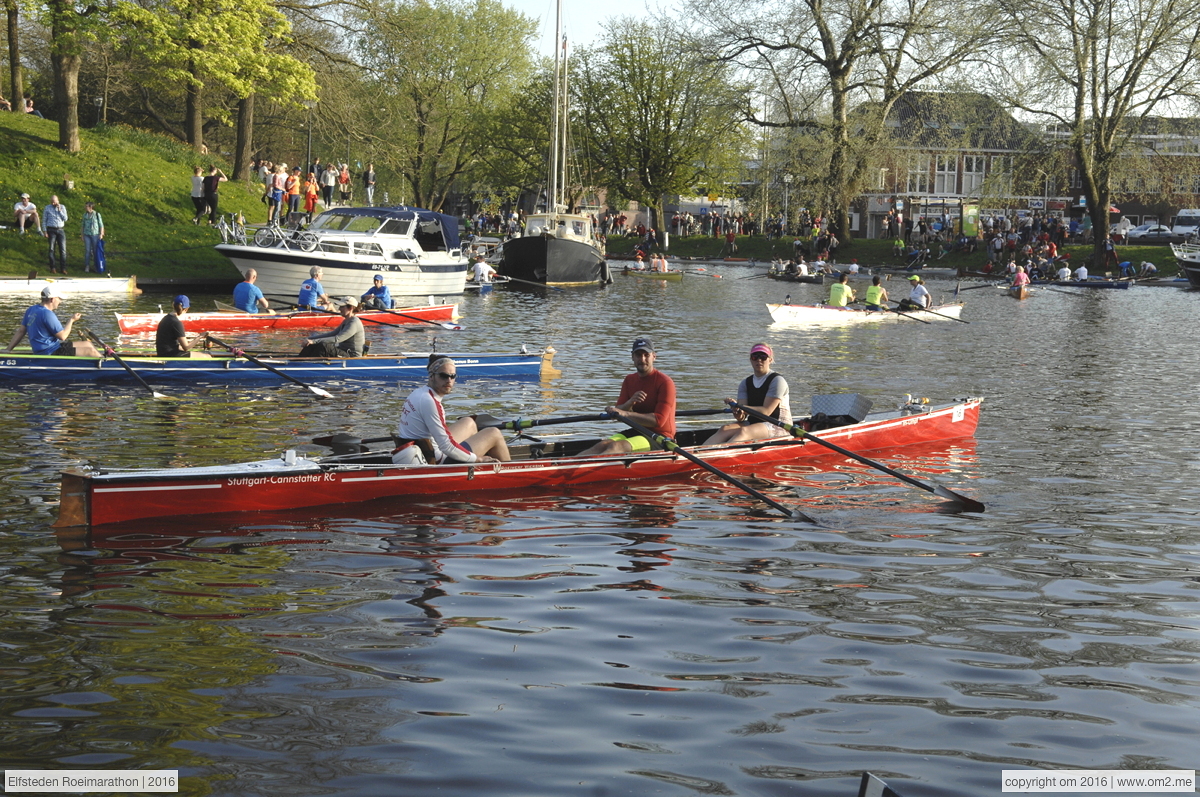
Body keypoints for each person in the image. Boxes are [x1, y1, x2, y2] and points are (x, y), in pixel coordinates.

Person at [391, 357, 512, 465]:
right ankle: (511, 472)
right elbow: (447, 447)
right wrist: (478, 459)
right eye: (443, 376)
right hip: (437, 460)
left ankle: (479, 469)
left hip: (419, 449)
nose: (449, 380)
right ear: (432, 376)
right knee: (494, 433)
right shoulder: (430, 402)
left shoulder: (418, 393)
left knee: (468, 422)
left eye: (452, 376)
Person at [575, 337, 677, 457]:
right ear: (632, 357)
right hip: (638, 431)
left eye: (646, 355)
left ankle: (585, 472)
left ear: (654, 356)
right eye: (638, 355)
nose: (642, 359)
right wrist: (630, 403)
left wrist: (625, 413)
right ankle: (562, 470)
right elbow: (618, 414)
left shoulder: (665, 382)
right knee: (603, 444)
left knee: (616, 446)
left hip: (661, 439)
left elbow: (658, 421)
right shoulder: (629, 380)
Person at [704, 344, 792, 444]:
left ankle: (718, 455)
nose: (759, 360)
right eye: (755, 357)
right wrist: (737, 410)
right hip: (754, 423)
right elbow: (741, 418)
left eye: (763, 357)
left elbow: (766, 411)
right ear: (751, 359)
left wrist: (741, 407)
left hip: (778, 425)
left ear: (770, 360)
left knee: (744, 432)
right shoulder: (745, 383)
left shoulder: (777, 381)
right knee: (724, 429)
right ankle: (697, 453)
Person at [5, 286, 100, 356]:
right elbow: (63, 336)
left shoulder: (31, 309)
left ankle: (100, 360)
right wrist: (71, 320)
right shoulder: (47, 314)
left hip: (49, 347)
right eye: (59, 299)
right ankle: (107, 367)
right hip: (49, 351)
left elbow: (21, 331)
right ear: (52, 299)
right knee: (90, 351)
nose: (60, 301)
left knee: (87, 344)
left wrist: (8, 349)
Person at [299, 297, 363, 357]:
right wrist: (310, 339)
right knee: (313, 344)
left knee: (323, 346)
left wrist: (314, 341)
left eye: (342, 307)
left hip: (351, 356)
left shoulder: (354, 322)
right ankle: (298, 361)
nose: (339, 309)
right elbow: (332, 334)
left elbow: (337, 339)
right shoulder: (346, 320)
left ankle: (308, 364)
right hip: (343, 351)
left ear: (351, 308)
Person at [42, 195, 69, 274]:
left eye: (55, 201)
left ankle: (63, 268)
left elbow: (65, 219)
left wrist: (59, 210)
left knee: (63, 250)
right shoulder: (47, 208)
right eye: (52, 202)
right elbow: (44, 220)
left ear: (58, 200)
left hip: (60, 230)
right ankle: (52, 267)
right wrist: (45, 231)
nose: (53, 203)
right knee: (51, 249)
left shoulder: (62, 207)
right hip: (51, 229)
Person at [80, 201, 104, 273]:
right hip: (87, 234)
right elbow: (82, 225)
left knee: (95, 251)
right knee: (87, 250)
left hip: (95, 234)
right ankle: (87, 265)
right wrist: (82, 235)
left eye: (86, 206)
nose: (85, 207)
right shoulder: (85, 215)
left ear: (90, 207)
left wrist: (101, 234)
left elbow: (101, 225)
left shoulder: (97, 214)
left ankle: (96, 265)